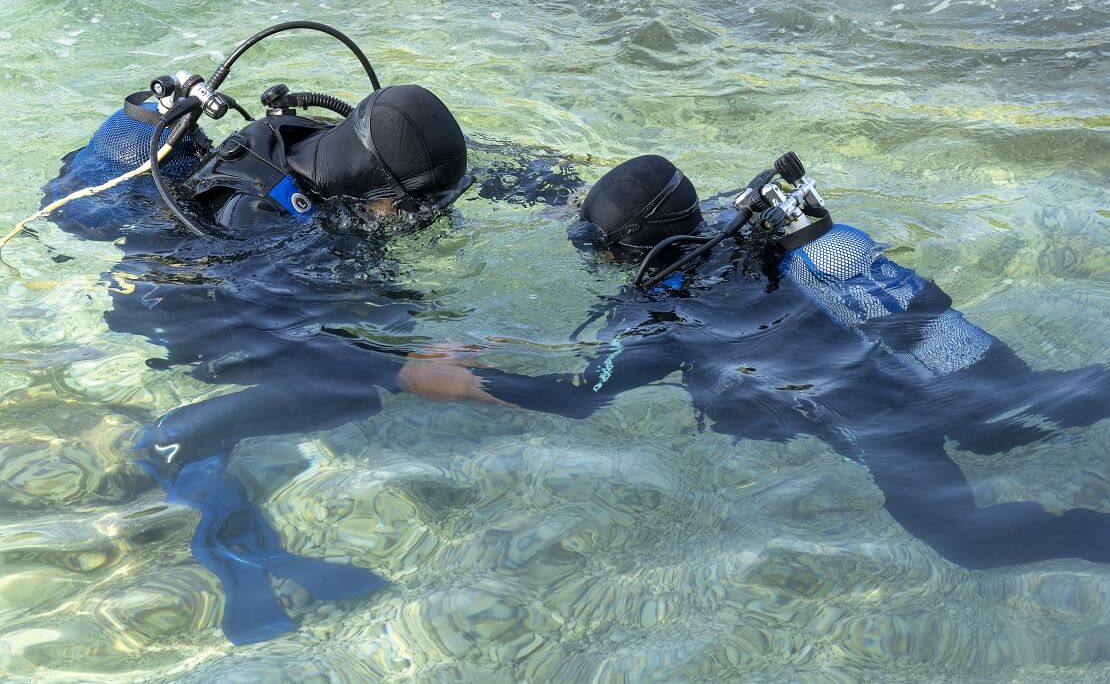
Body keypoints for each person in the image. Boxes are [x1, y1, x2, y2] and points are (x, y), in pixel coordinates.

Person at [399, 154, 1110, 570]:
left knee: (964, 539)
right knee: (1013, 423)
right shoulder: (747, 223)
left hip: (887, 423)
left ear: (623, 253)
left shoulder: (661, 316)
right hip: (950, 369)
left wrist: (460, 382)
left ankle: (1089, 534)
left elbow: (582, 394)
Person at [41, 82, 475, 644]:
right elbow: (277, 332)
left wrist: (565, 194)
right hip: (186, 306)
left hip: (251, 286)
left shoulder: (324, 153)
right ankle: (179, 444)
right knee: (340, 386)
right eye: (415, 207)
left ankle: (231, 502)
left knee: (383, 332)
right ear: (380, 185)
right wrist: (399, 369)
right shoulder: (256, 217)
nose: (423, 222)